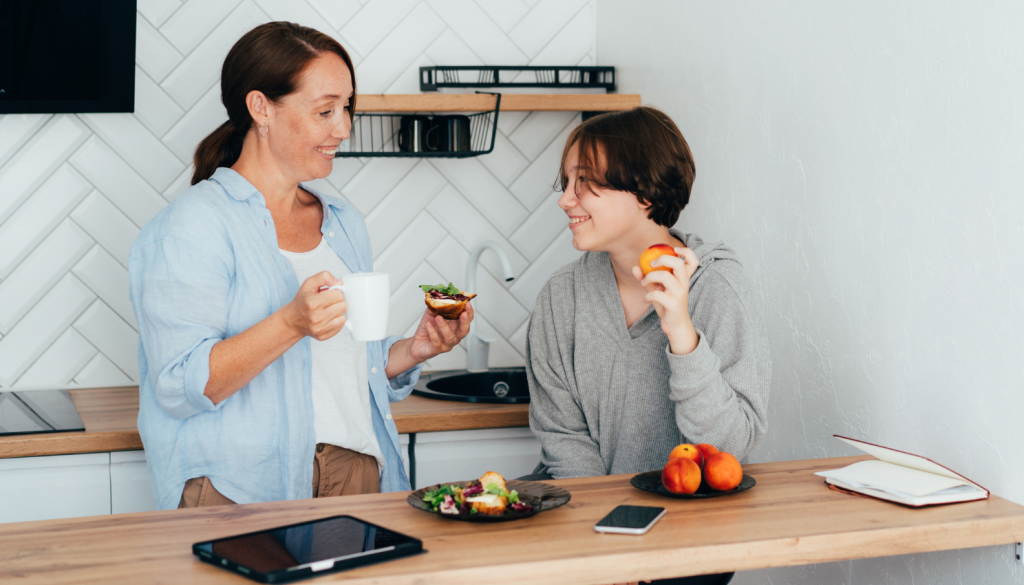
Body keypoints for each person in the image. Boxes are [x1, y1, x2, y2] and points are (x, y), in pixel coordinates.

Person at [128, 22, 471, 510]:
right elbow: (180, 386)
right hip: (238, 484)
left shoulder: (342, 222)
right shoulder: (193, 225)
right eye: (325, 111)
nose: (343, 127)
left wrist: (413, 351)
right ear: (261, 107)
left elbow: (345, 364)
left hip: (355, 472)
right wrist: (291, 322)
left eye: (347, 107)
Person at [524, 107, 771, 585]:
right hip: (586, 526)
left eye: (586, 182)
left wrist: (682, 333)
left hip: (693, 541)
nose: (566, 199)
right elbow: (563, 438)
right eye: (566, 181)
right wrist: (609, 544)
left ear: (643, 190)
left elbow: (729, 448)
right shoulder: (561, 297)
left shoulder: (717, 289)